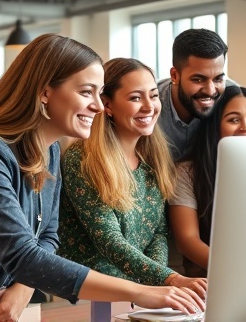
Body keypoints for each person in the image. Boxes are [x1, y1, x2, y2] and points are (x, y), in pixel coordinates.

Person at [0, 34, 204, 322]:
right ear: (45, 92)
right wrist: (140, 291)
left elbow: (46, 235)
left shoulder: (50, 150)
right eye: (86, 92)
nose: (98, 106)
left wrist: (21, 287)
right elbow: (22, 253)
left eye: (100, 93)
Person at [57, 58, 207, 298]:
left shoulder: (154, 157)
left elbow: (158, 232)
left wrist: (158, 282)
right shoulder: (83, 158)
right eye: (136, 98)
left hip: (139, 292)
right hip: (90, 294)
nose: (149, 107)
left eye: (154, 95)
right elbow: (110, 241)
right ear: (107, 105)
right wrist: (169, 279)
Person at [168, 86, 246, 277]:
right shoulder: (187, 172)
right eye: (233, 119)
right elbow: (187, 240)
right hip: (211, 277)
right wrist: (236, 272)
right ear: (215, 125)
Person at [157, 28, 235, 162]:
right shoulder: (150, 105)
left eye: (218, 79)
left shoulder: (233, 97)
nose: (210, 91)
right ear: (175, 76)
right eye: (198, 79)